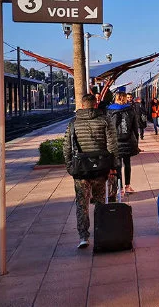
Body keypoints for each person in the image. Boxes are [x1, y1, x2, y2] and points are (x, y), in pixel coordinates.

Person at [63, 93, 118, 249]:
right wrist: (114, 166)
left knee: (82, 203)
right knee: (100, 201)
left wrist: (70, 167)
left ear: (82, 105)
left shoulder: (73, 124)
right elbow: (112, 146)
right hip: (101, 169)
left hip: (81, 171)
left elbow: (66, 148)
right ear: (95, 105)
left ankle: (83, 237)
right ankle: (100, 232)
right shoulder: (105, 121)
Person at [107, 91, 140, 195]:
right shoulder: (130, 109)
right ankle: (128, 186)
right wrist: (136, 143)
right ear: (125, 98)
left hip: (115, 142)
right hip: (128, 141)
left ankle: (120, 188)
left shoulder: (109, 110)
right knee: (127, 164)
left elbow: (107, 128)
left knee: (117, 165)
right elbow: (135, 128)